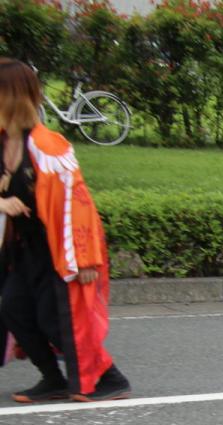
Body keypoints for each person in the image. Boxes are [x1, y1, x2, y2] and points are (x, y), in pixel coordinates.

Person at [0, 58, 130, 403]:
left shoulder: (48, 147)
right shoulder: (2, 142)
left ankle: (110, 379)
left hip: (57, 250)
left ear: (12, 96)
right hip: (21, 249)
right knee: (13, 308)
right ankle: (53, 378)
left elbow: (79, 207)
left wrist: (85, 260)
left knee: (59, 320)